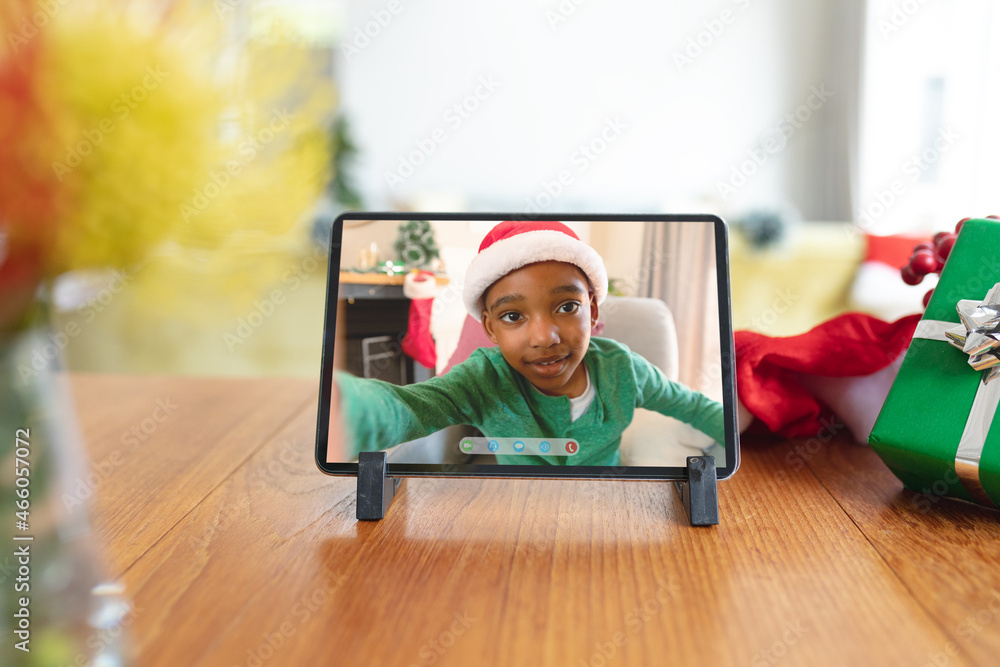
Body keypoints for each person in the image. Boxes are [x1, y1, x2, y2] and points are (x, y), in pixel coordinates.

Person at [335, 220, 725, 466]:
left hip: (608, 515)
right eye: (513, 316)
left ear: (591, 310)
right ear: (490, 328)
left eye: (567, 306)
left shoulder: (624, 370)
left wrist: (740, 448)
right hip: (517, 520)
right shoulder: (484, 377)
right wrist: (341, 406)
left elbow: (694, 406)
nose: (544, 337)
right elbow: (410, 408)